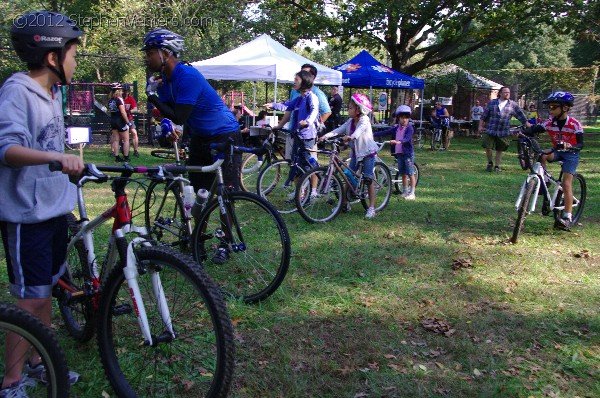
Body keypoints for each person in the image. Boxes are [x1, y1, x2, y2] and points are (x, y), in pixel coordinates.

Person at [0, 11, 84, 395]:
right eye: (72, 53)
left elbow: (51, 144)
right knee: (27, 300)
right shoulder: (17, 91)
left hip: (53, 210)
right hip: (26, 215)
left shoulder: (53, 92)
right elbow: (8, 149)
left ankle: (39, 361)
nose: (75, 60)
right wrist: (54, 159)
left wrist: (68, 163)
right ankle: (11, 380)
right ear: (52, 56)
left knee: (45, 290)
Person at [142, 28, 242, 265]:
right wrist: (166, 127)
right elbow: (168, 117)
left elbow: (180, 114)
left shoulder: (188, 76)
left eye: (149, 52)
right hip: (199, 137)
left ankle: (225, 244)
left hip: (225, 134)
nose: (146, 58)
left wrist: (151, 95)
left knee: (224, 194)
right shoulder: (165, 82)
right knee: (200, 196)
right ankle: (198, 241)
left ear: (165, 53)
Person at [319, 94, 379, 218]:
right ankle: (345, 203)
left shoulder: (364, 120)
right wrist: (326, 136)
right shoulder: (350, 121)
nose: (348, 110)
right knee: (348, 175)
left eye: (351, 108)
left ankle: (372, 207)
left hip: (368, 153)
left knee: (368, 179)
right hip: (356, 153)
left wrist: (352, 137)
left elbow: (359, 130)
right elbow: (339, 129)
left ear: (359, 110)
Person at [266, 70, 320, 191]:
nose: (294, 82)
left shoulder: (312, 97)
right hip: (297, 135)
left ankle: (314, 189)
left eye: (297, 80)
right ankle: (301, 194)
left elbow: (314, 111)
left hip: (307, 136)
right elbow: (287, 105)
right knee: (297, 165)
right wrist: (273, 105)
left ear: (304, 82)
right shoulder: (299, 99)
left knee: (307, 165)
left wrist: (307, 122)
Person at [538, 92, 583, 231]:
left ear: (565, 108)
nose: (550, 110)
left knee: (566, 184)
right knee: (542, 154)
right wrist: (522, 131)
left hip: (571, 154)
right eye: (549, 107)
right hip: (556, 151)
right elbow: (535, 128)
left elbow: (581, 144)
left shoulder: (574, 124)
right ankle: (544, 180)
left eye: (553, 107)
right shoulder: (550, 123)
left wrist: (571, 146)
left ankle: (567, 217)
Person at [277, 64, 332, 160]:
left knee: (309, 165)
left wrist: (312, 125)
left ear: (312, 77)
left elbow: (326, 112)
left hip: (307, 135)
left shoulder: (316, 93)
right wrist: (280, 126)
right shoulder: (295, 92)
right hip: (294, 132)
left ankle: (316, 174)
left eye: (305, 73)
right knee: (294, 164)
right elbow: (288, 110)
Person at [479, 86, 531, 172]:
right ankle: (490, 163)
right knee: (488, 147)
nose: (507, 94)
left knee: (500, 149)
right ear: (500, 93)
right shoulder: (492, 103)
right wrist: (480, 126)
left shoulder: (512, 104)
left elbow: (520, 115)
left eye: (508, 92)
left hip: (503, 131)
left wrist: (527, 123)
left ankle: (497, 166)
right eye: (505, 92)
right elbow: (483, 116)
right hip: (491, 129)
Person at [373, 105, 417, 200]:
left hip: (408, 153)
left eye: (406, 118)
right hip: (399, 154)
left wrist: (399, 141)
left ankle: (412, 193)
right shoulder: (396, 128)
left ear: (409, 118)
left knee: (410, 173)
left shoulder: (409, 128)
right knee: (403, 173)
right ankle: (405, 191)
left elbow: (407, 138)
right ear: (399, 118)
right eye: (402, 118)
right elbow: (386, 132)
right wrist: (372, 134)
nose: (404, 120)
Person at [108, 83, 130, 162]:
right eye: (121, 90)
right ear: (119, 90)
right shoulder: (119, 99)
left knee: (116, 140)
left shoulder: (110, 100)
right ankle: (126, 157)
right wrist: (128, 122)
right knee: (126, 140)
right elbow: (123, 112)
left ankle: (117, 157)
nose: (122, 92)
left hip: (113, 121)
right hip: (120, 121)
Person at [122, 84, 140, 157]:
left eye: (127, 91)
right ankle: (114, 151)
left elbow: (135, 109)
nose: (125, 92)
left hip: (129, 119)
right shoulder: (119, 99)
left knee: (134, 133)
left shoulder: (130, 99)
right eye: (124, 91)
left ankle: (135, 150)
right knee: (117, 135)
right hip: (121, 119)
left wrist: (130, 111)